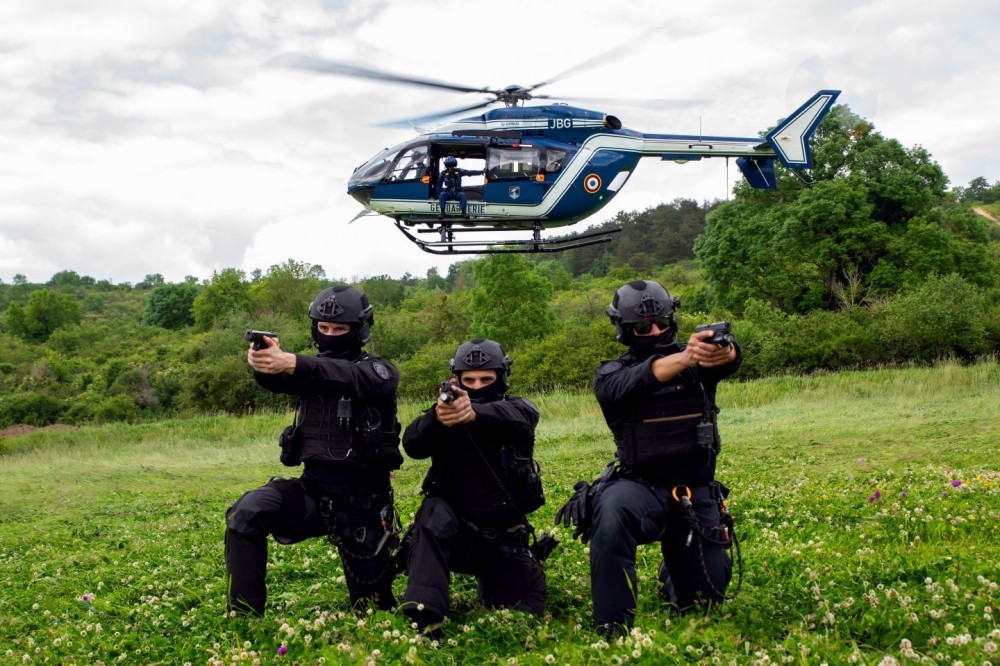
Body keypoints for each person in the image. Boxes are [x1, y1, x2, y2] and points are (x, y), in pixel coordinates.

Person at [555, 279, 741, 636]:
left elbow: (729, 361)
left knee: (703, 601)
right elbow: (631, 382)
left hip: (694, 491)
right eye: (642, 327)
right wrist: (684, 357)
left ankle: (672, 573)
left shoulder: (699, 366)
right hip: (640, 489)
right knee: (610, 513)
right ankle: (613, 625)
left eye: (661, 323)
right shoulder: (610, 374)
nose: (654, 331)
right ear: (624, 330)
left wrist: (725, 350)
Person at [225, 285, 403, 616]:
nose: (331, 334)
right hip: (314, 493)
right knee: (246, 512)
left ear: (360, 329)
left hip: (364, 503)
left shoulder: (378, 371)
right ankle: (244, 616)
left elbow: (343, 375)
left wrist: (291, 361)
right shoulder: (308, 370)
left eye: (340, 329)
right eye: (324, 328)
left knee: (372, 608)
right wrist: (264, 361)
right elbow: (278, 379)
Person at [399, 339, 547, 635]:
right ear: (457, 380)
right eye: (470, 380)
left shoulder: (517, 410)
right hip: (455, 535)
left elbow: (525, 417)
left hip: (504, 539)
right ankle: (425, 617)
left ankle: (496, 580)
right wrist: (436, 417)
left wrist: (476, 414)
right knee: (430, 513)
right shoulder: (444, 413)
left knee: (522, 608)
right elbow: (412, 444)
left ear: (501, 378)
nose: (477, 386)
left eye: (486, 379)